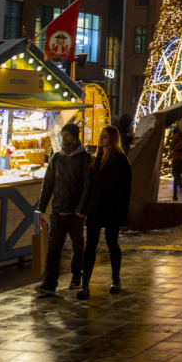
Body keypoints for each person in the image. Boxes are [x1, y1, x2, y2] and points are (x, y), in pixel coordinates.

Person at [76, 125, 132, 298]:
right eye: (101, 136)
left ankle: (116, 279)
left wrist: (122, 211)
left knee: (111, 242)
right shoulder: (96, 159)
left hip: (111, 207)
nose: (101, 139)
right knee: (90, 245)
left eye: (105, 137)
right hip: (95, 208)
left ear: (113, 140)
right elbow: (89, 186)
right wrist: (83, 207)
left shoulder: (121, 160)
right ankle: (84, 284)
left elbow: (126, 189)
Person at [35, 122, 90, 295]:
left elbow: (87, 186)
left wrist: (81, 208)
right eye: (62, 135)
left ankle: (76, 276)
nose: (64, 139)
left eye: (67, 135)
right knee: (54, 249)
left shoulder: (84, 158)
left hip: (75, 212)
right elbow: (48, 183)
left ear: (75, 137)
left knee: (77, 247)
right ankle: (50, 283)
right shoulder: (56, 157)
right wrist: (41, 207)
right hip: (58, 211)